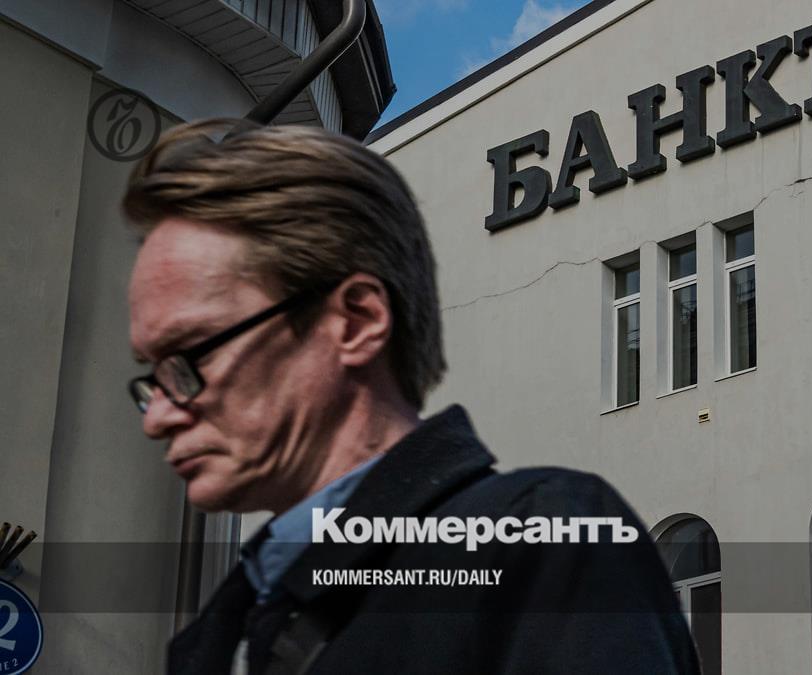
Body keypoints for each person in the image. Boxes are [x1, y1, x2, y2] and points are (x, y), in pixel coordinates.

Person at [122, 119, 700, 674]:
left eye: (191, 356)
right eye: (153, 375)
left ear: (355, 322)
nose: (158, 417)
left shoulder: (540, 544)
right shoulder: (217, 635)